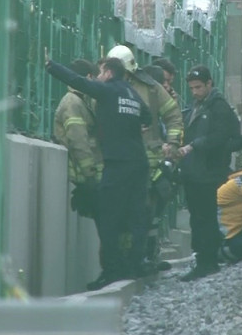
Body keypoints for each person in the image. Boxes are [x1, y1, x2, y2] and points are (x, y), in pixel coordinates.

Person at [45, 52, 151, 290]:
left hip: (117, 164)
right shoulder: (131, 93)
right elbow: (148, 116)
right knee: (135, 217)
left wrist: (52, 66)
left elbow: (79, 82)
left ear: (109, 73)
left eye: (101, 72)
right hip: (139, 163)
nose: (98, 76)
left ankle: (112, 271)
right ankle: (134, 264)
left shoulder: (108, 91)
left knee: (108, 218)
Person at [107, 45, 183, 270]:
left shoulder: (150, 88)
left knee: (146, 212)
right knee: (117, 214)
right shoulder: (104, 87)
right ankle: (119, 263)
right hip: (116, 160)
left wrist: (172, 143)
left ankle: (141, 258)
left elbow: (173, 115)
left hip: (148, 163)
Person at [177, 65, 240, 282]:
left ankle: (207, 261)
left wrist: (198, 145)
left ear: (209, 84)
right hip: (195, 172)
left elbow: (226, 136)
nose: (194, 92)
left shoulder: (218, 108)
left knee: (204, 217)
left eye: (198, 87)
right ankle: (205, 259)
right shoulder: (198, 106)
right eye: (192, 88)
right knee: (199, 217)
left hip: (208, 172)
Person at [52, 59, 102, 218]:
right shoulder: (73, 103)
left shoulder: (80, 101)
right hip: (83, 174)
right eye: (94, 78)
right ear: (88, 77)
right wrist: (90, 174)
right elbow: (78, 140)